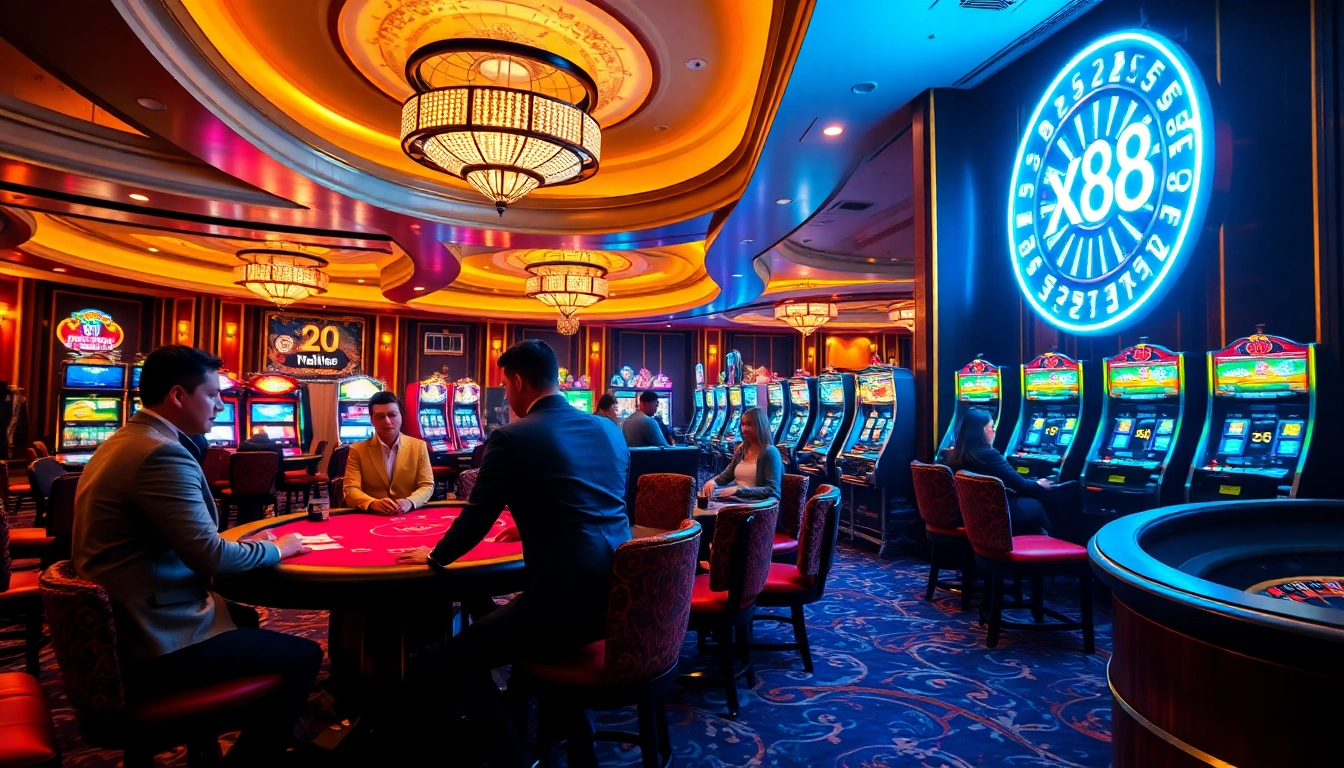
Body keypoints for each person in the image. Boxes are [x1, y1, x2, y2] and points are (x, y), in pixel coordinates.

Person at [72, 345, 320, 763]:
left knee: (242, 617)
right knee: (307, 656)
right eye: (212, 394)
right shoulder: (161, 454)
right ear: (177, 396)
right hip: (151, 636)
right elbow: (212, 556)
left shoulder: (126, 439)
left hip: (124, 615)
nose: (222, 405)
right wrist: (278, 548)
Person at [395, 339, 631, 768]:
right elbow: (593, 500)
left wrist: (433, 556)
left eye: (505, 385)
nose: (506, 395)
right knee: (494, 620)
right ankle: (578, 734)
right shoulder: (609, 429)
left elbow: (476, 518)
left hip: (560, 607)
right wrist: (528, 523)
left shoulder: (511, 436)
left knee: (456, 658)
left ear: (519, 382)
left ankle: (514, 759)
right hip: (619, 596)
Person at [944, 408, 1054, 534]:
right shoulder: (988, 455)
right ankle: (1054, 547)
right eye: (992, 427)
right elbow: (1022, 486)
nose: (994, 431)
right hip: (998, 515)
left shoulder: (955, 455)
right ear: (983, 431)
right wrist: (1039, 484)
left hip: (971, 514)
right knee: (1036, 506)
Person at [343, 390, 435, 515]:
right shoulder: (357, 450)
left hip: (408, 516)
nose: (387, 421)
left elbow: (427, 485)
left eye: (392, 415)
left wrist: (410, 502)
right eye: (380, 416)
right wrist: (372, 503)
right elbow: (350, 489)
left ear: (401, 416)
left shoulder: (419, 446)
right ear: (371, 419)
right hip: (372, 516)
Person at [702, 406, 783, 501]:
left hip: (756, 504)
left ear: (760, 426)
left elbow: (773, 490)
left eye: (749, 424)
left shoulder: (770, 452)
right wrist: (713, 482)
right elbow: (726, 476)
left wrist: (739, 490)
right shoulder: (742, 449)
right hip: (737, 499)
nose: (744, 429)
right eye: (742, 424)